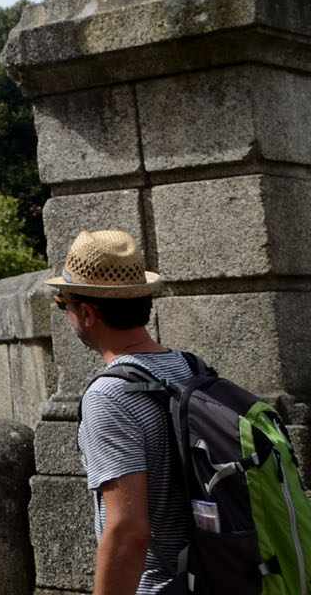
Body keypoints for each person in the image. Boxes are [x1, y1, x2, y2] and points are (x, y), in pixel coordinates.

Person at [49, 229, 188, 595]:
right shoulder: (189, 368)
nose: (66, 314)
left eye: (63, 303)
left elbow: (128, 529)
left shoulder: (110, 396)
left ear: (89, 312)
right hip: (216, 576)